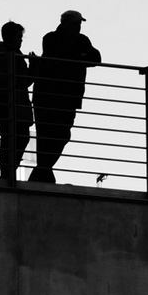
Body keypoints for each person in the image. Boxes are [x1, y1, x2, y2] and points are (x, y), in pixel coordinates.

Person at [28, 10, 101, 184]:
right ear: (68, 23)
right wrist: (79, 56)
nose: (79, 27)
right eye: (77, 23)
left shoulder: (81, 39)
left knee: (60, 135)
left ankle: (42, 173)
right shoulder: (51, 38)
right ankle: (43, 173)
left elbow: (96, 58)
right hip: (48, 96)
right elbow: (62, 57)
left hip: (67, 97)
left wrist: (74, 56)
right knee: (47, 136)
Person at [0, 21, 34, 183]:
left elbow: (22, 80)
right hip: (10, 104)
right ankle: (7, 172)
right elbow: (22, 80)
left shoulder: (6, 54)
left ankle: (8, 172)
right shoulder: (6, 54)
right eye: (19, 36)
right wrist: (31, 68)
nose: (21, 40)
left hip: (10, 103)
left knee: (12, 138)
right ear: (11, 37)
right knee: (12, 138)